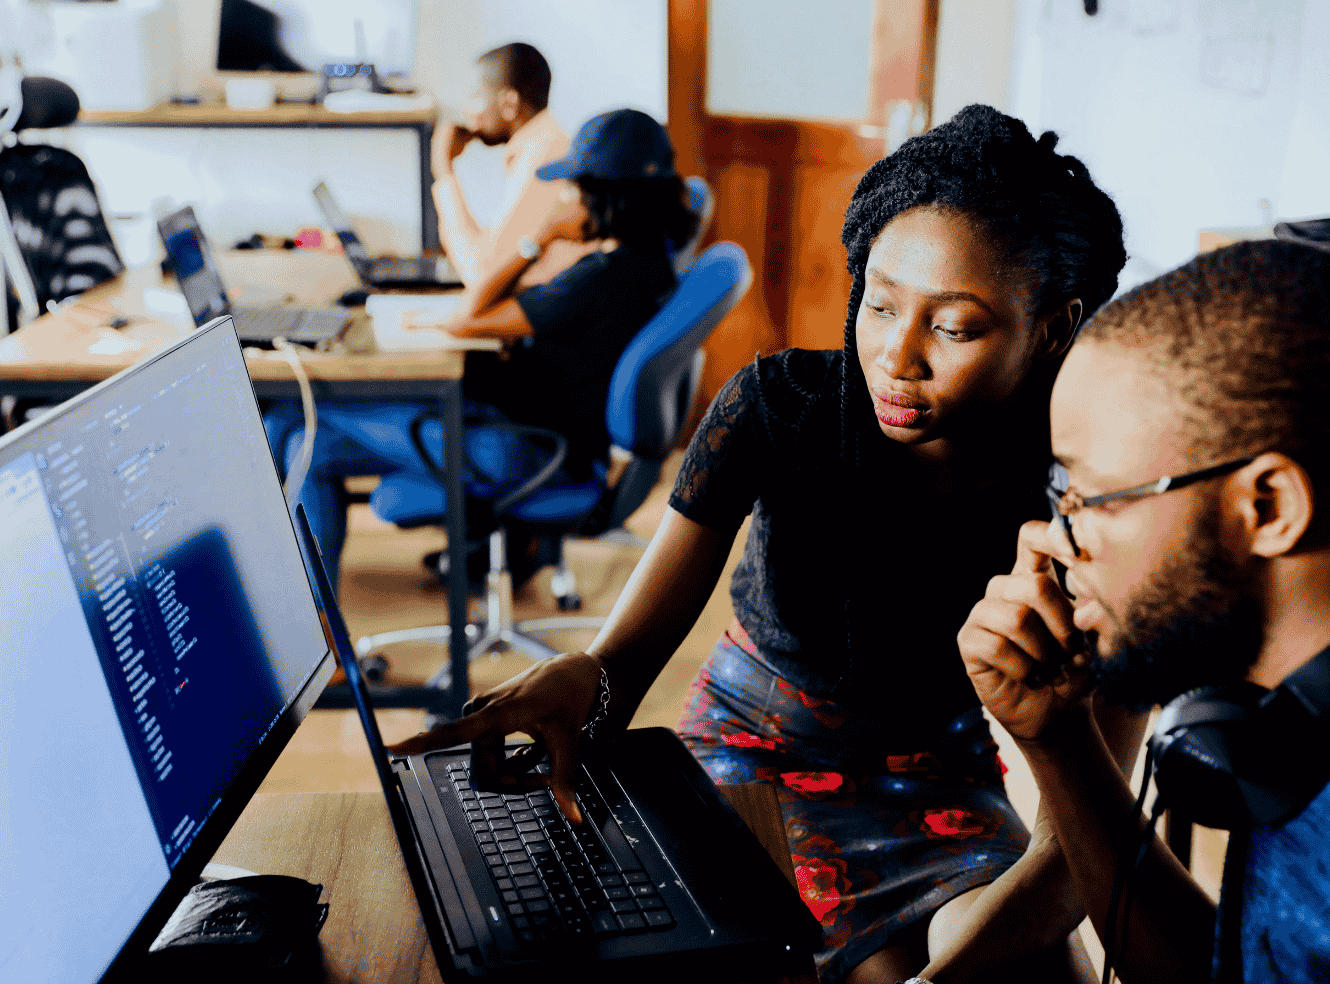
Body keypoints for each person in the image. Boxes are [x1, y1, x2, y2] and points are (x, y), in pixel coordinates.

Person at [391, 105, 1138, 983]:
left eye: (954, 326)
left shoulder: (1094, 501)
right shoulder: (780, 411)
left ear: (1054, 325)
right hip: (752, 755)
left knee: (1036, 970)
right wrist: (582, 680)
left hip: (939, 781)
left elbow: (1078, 850)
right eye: (881, 303)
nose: (896, 355)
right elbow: (622, 663)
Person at [958, 239, 1330, 984]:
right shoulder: (1276, 727)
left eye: (1091, 498)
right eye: (1058, 493)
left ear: (1267, 507)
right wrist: (1059, 741)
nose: (1050, 539)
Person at [265, 109, 697, 590]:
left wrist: (539, 239)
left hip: (519, 449)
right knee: (305, 441)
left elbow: (467, 316)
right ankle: (322, 626)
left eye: (575, 187)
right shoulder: (651, 266)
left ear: (605, 196)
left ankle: (309, 619)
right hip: (540, 436)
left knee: (293, 419)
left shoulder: (599, 279)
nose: (566, 198)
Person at [433, 41, 591, 289]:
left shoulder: (543, 157)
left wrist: (443, 172)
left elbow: (482, 276)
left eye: (475, 97)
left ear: (509, 104)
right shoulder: (543, 144)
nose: (468, 111)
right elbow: (490, 253)